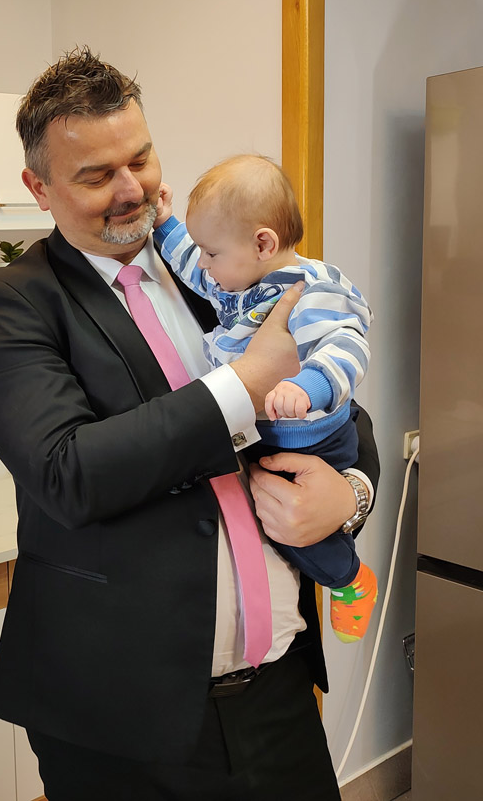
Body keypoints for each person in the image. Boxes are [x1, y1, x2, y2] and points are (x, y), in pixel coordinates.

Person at [0, 49, 379, 801]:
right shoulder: (13, 302)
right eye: (97, 175)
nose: (132, 191)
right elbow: (69, 472)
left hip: (278, 688)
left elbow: (342, 410)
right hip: (122, 718)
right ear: (39, 188)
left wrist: (348, 495)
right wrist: (243, 385)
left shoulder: (219, 267)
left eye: (141, 159)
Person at [153, 154, 378, 644]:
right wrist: (166, 224)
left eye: (213, 253)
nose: (205, 265)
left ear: (262, 244)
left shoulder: (313, 290)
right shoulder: (238, 281)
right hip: (264, 431)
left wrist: (306, 386)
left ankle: (350, 580)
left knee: (292, 528)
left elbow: (347, 347)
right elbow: (191, 266)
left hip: (311, 440)